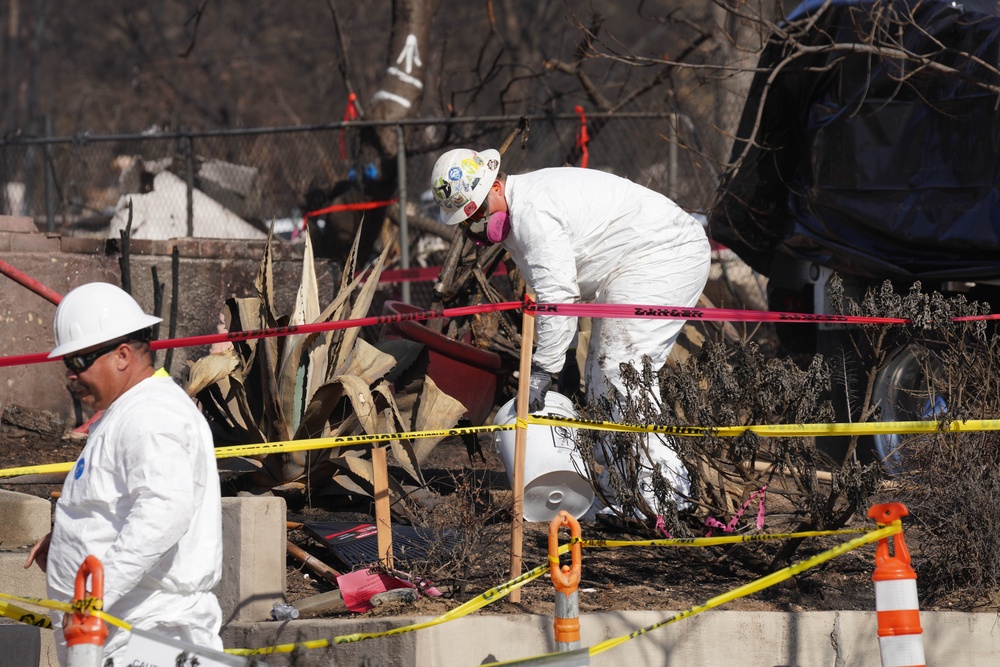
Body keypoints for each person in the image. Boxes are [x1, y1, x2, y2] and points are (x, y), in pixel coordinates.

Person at [430, 148, 711, 519]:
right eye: (467, 222)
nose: (477, 226)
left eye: (479, 212)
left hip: (665, 254)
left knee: (622, 371)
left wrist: (544, 369)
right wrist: (555, 363)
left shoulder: (532, 214)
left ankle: (664, 497)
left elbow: (558, 297)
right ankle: (624, 495)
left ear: (496, 185)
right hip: (633, 264)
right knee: (603, 378)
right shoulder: (518, 218)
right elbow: (561, 298)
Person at [24, 282, 224, 665]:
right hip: (128, 634)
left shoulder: (151, 415)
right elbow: (124, 500)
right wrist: (69, 539)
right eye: (67, 364)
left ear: (121, 355)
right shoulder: (131, 411)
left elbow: (163, 512)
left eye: (80, 361)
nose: (71, 374)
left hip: (149, 636)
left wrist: (92, 598)